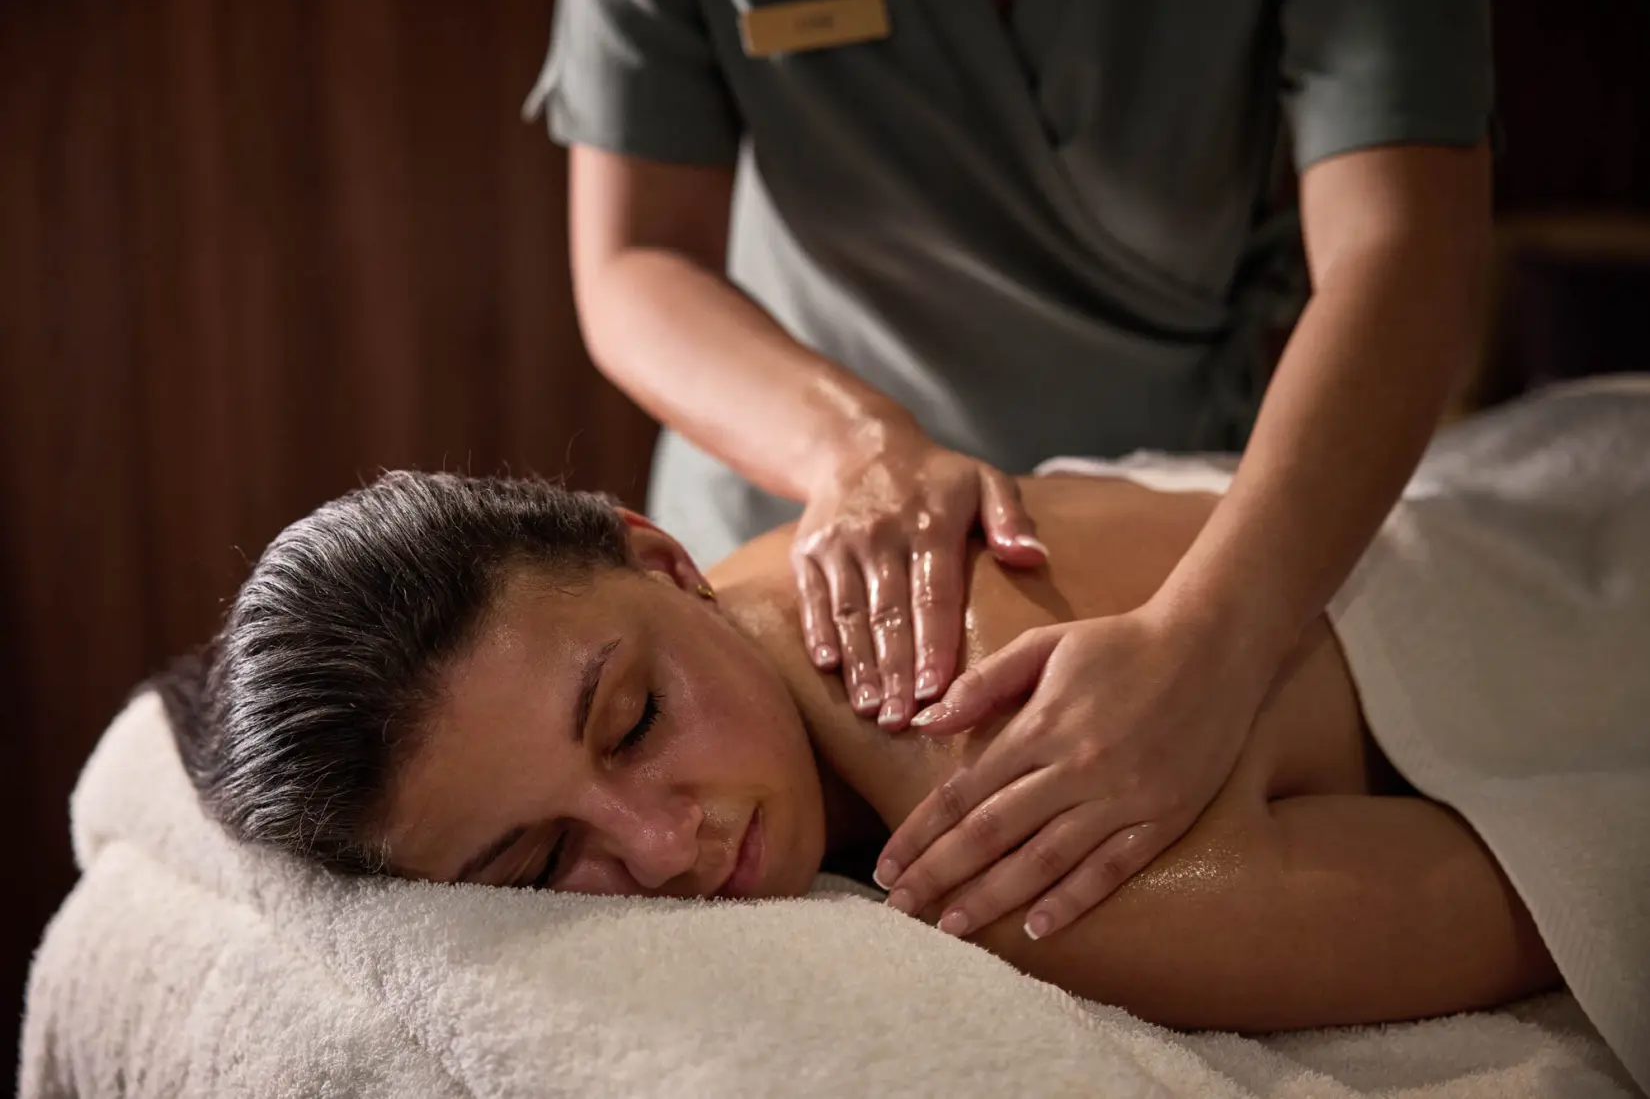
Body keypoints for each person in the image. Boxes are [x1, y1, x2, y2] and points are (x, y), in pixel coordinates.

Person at [163, 381, 1650, 1033]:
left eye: (628, 724)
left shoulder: (1008, 841)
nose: (661, 844)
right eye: (538, 864)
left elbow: (1557, 887)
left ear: (658, 554)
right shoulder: (746, 589)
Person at [526, 0, 1499, 931]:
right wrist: (854, 445)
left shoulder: (1034, 836)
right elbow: (636, 257)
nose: (658, 851)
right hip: (782, 491)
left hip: (1186, 540)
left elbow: (1404, 241)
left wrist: (1220, 645)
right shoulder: (690, 698)